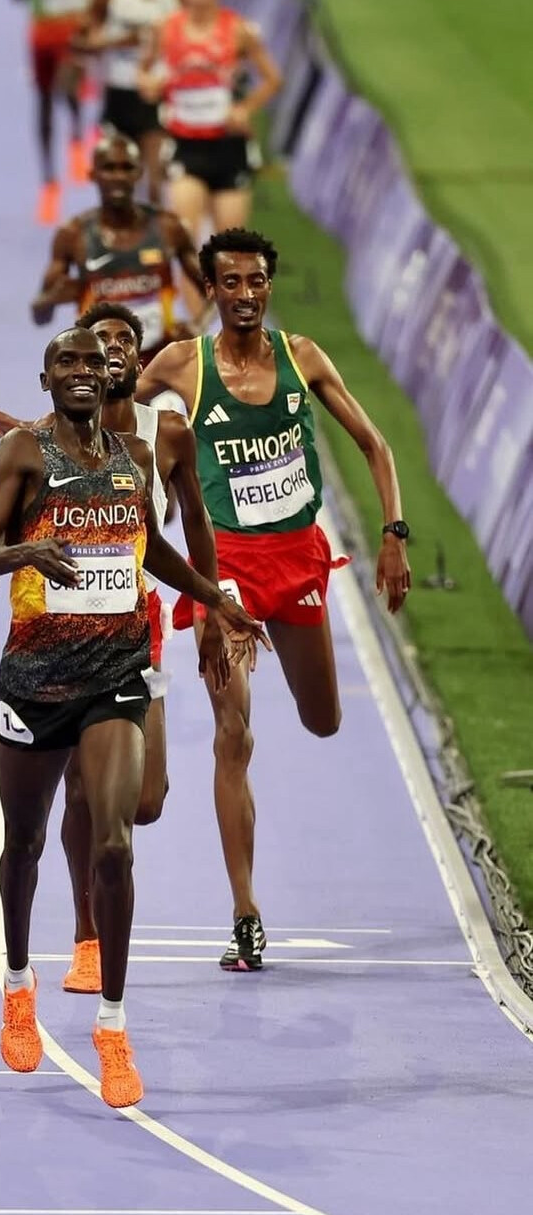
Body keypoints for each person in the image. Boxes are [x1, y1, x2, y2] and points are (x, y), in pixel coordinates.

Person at [0, 325, 264, 1107]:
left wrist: (216, 599)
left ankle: (113, 1024)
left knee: (115, 843)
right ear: (46, 379)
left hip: (116, 673)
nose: (82, 371)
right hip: (36, 679)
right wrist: (24, 554)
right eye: (66, 361)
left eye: (92, 362)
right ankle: (19, 984)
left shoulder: (134, 458)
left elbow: (149, 546)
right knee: (23, 843)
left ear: (111, 375)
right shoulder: (22, 454)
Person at [136, 228, 411, 971]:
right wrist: (28, 438)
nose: (246, 294)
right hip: (224, 569)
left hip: (298, 560)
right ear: (210, 290)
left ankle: (246, 907)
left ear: (269, 285)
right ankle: (246, 912)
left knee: (324, 720)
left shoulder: (303, 357)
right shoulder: (183, 364)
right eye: (230, 282)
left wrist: (393, 532)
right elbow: (103, 415)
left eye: (256, 281)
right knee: (234, 735)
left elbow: (376, 445)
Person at [138, 0, 280, 313]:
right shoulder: (165, 29)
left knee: (232, 254)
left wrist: (245, 109)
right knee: (187, 244)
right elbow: (142, 74)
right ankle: (197, 329)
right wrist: (151, 85)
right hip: (185, 147)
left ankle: (230, 327)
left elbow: (273, 79)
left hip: (228, 149)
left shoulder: (238, 30)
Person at [30, 133, 210, 360]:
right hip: (101, 368)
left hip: (159, 363)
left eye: (126, 168)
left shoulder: (169, 228)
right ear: (93, 175)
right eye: (109, 168)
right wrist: (51, 299)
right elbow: (39, 316)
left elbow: (216, 291)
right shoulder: (73, 236)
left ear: (139, 173)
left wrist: (197, 325)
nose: (118, 176)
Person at [72, 0, 178, 206]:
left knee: (155, 181)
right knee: (119, 181)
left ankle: (154, 223)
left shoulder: (172, 4)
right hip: (117, 94)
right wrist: (94, 42)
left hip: (154, 96)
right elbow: (81, 40)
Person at [16, 1, 94, 225]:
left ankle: (77, 140)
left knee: (70, 89)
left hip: (70, 29)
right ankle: (48, 179)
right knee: (44, 101)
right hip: (42, 33)